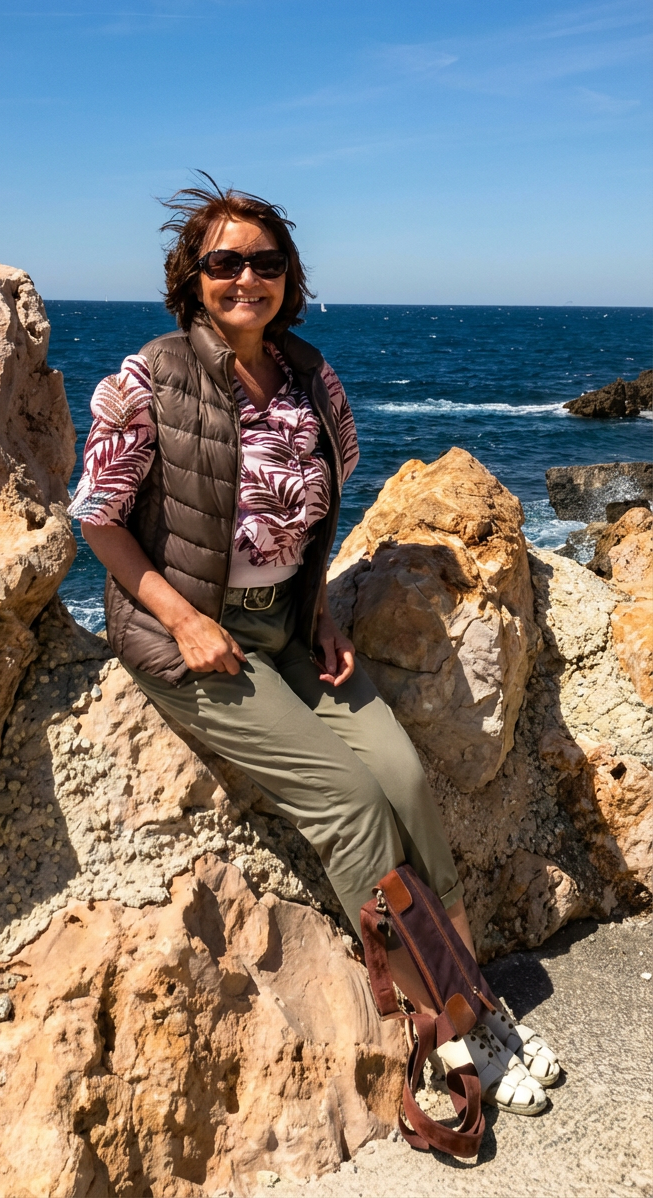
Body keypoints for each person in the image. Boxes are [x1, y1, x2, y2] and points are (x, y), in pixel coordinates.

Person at [69, 177, 560, 1115]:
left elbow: (318, 508)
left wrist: (322, 610)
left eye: (265, 261)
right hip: (193, 640)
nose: (246, 276)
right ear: (193, 278)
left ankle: (479, 1000)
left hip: (293, 627)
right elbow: (98, 517)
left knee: (407, 783)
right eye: (225, 262)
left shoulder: (309, 376)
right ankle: (440, 1021)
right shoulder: (149, 379)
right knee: (349, 804)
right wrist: (184, 620)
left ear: (288, 278)